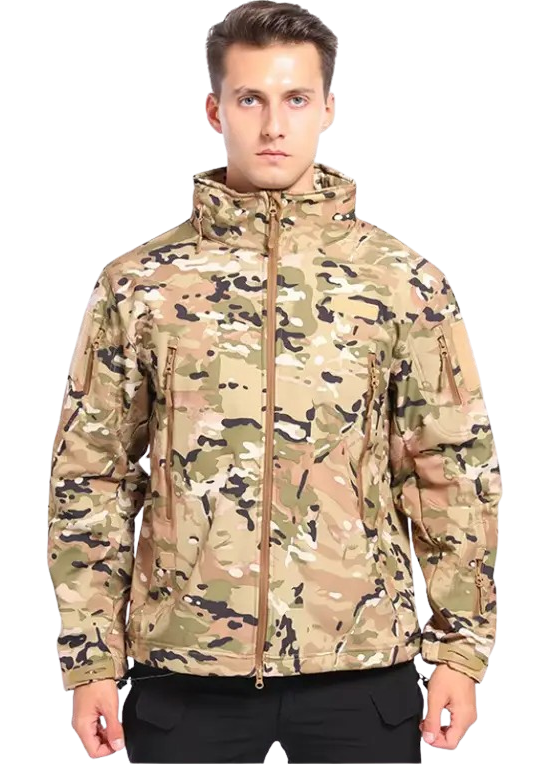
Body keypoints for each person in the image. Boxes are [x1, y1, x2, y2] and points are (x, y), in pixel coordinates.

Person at [47, 1, 502, 762]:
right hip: (186, 670)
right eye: (250, 98)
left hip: (362, 666)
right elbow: (91, 475)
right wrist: (90, 657)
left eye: (295, 99)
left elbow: (452, 469)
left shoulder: (402, 282)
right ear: (215, 109)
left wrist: (461, 648)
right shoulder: (140, 284)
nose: (272, 125)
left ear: (328, 108)